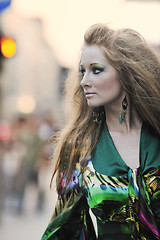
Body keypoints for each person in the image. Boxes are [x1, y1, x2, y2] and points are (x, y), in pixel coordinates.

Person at [41, 23, 160, 240]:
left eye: (96, 70)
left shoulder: (156, 134)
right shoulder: (79, 146)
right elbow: (66, 229)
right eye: (82, 72)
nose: (85, 81)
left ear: (126, 73)